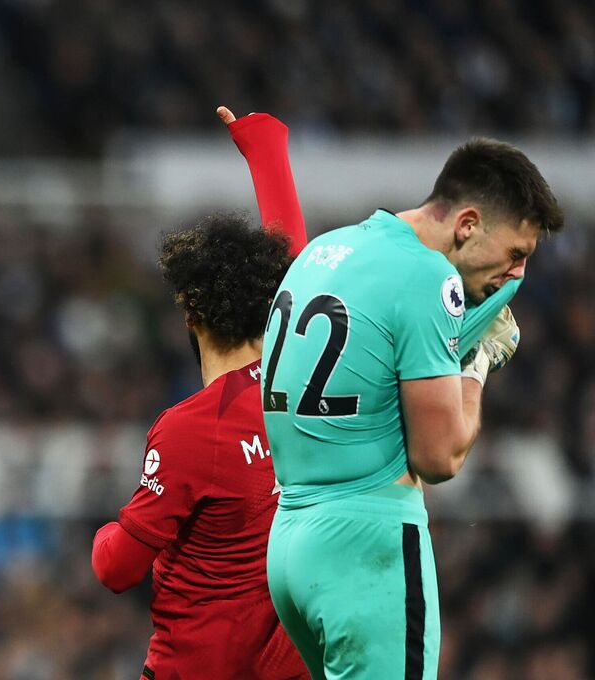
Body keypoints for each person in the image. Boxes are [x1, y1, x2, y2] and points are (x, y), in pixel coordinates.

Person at [261, 133, 563, 678]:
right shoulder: (430, 277)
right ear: (467, 224)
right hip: (366, 544)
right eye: (516, 253)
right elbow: (439, 457)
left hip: (290, 545)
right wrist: (478, 362)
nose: (516, 274)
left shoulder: (330, 248)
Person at [90, 107, 311, 680]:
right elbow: (295, 271)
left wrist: (104, 532)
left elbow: (117, 569)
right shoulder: (308, 381)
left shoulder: (194, 428)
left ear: (191, 314)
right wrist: (264, 149)